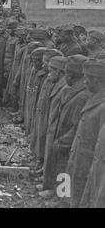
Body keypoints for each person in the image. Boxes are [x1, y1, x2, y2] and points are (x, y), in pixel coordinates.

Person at [44, 55, 90, 199]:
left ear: (72, 75)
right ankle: (55, 192)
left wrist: (64, 140)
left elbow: (76, 125)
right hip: (61, 135)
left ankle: (61, 199)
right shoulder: (71, 89)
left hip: (68, 140)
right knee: (59, 166)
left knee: (65, 170)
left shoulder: (82, 96)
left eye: (67, 74)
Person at [67, 59, 105, 208]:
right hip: (80, 154)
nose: (84, 83)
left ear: (97, 80)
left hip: (89, 159)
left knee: (84, 193)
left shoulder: (102, 105)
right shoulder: (94, 97)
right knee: (74, 187)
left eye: (87, 79)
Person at [39, 56, 68, 197]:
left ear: (60, 71)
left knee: (61, 164)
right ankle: (49, 184)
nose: (48, 73)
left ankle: (60, 193)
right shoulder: (57, 83)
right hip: (53, 128)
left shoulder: (64, 87)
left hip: (61, 132)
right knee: (51, 158)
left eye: (51, 70)